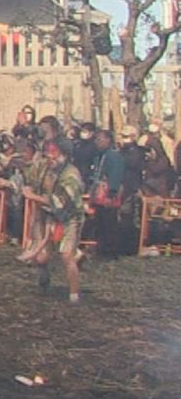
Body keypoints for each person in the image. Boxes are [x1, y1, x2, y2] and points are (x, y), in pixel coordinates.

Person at [23, 138, 85, 303]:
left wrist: (33, 196)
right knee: (41, 256)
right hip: (47, 215)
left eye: (54, 153)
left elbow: (61, 201)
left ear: (64, 155)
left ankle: (74, 295)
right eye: (48, 153)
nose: (50, 156)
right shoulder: (43, 167)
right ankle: (44, 276)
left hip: (69, 217)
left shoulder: (72, 175)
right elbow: (30, 180)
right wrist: (27, 187)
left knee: (66, 255)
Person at [86, 130, 126, 258]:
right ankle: (101, 249)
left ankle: (110, 251)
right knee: (100, 222)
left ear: (108, 140)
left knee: (109, 223)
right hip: (99, 193)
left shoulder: (114, 156)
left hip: (108, 193)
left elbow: (115, 175)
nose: (97, 143)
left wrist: (111, 194)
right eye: (96, 140)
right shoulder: (99, 156)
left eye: (100, 140)